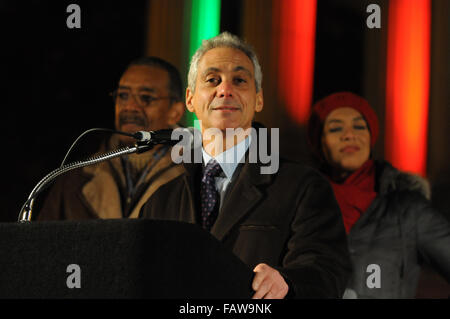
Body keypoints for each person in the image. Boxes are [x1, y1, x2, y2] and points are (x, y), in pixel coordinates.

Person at [139, 32, 351, 299]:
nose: (225, 90)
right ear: (191, 99)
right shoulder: (159, 201)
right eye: (212, 80)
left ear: (258, 99)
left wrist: (287, 282)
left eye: (239, 80)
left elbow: (327, 271)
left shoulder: (304, 188)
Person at [307, 91, 450, 298]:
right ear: (319, 143)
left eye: (359, 126)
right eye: (336, 128)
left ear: (370, 136)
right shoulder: (300, 204)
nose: (349, 134)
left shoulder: (408, 210)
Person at [36, 57, 185, 220]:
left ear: (175, 112)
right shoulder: (75, 177)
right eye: (123, 95)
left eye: (145, 98)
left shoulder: (196, 175)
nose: (130, 107)